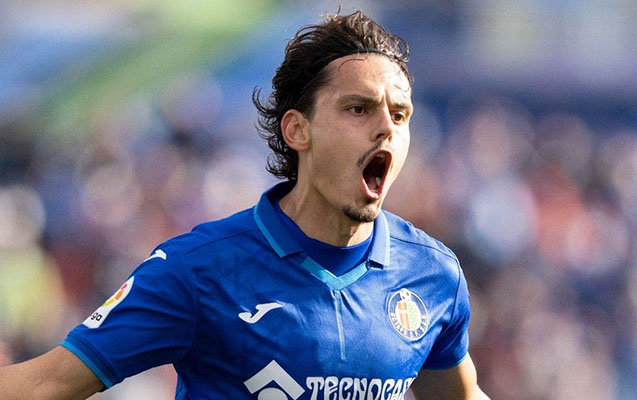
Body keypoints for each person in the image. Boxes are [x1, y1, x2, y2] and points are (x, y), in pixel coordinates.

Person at [0, 11, 488, 400]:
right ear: (297, 130)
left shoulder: (432, 273)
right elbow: (46, 384)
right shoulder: (198, 270)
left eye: (399, 114)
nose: (386, 128)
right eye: (358, 108)